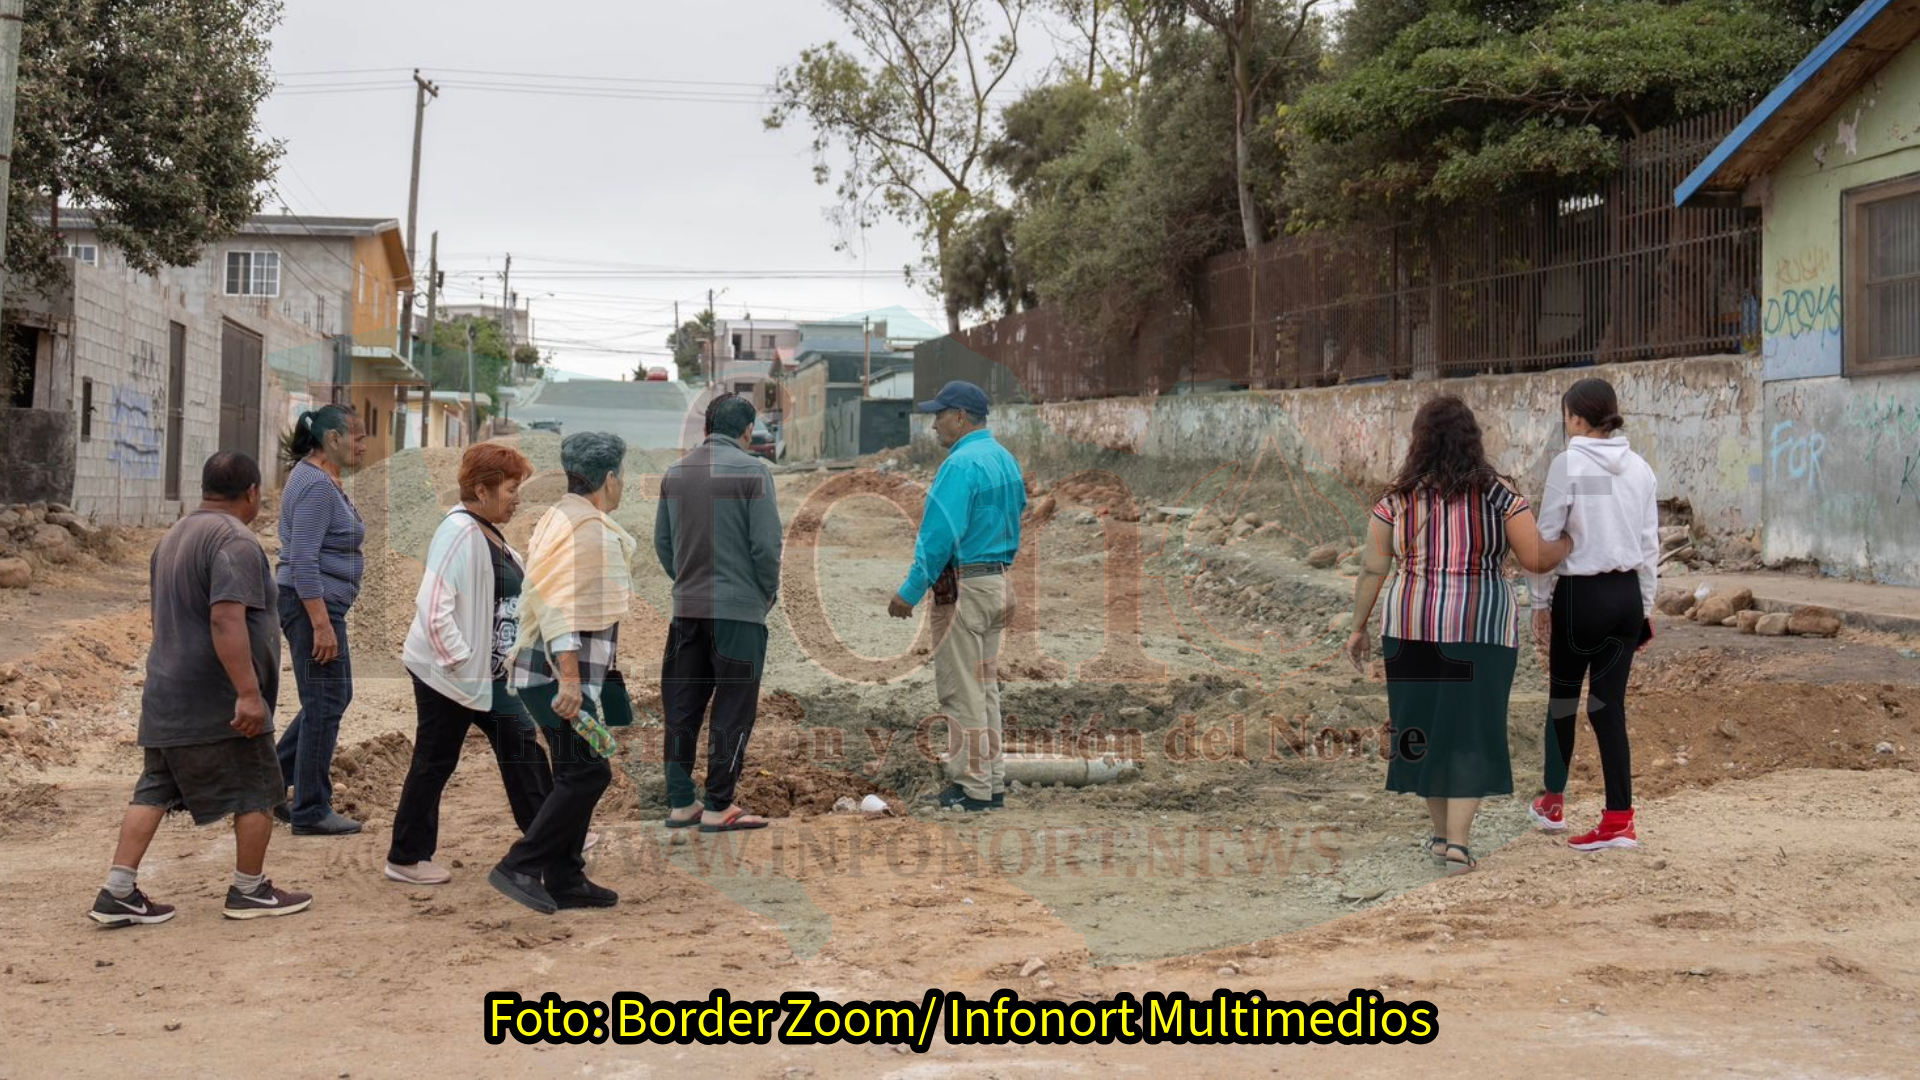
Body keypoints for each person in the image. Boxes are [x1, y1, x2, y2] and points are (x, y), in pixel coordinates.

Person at [1345, 396, 1570, 873]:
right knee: (1470, 730)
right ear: (1473, 439)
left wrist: (1358, 628)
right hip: (1480, 629)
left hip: (1411, 625)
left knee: (1424, 729)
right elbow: (1535, 559)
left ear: (1418, 441)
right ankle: (1459, 846)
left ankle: (1441, 836)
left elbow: (1372, 569)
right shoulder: (1500, 497)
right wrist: (1568, 541)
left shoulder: (1396, 501)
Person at [89, 452, 312, 925]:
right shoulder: (235, 541)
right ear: (252, 492)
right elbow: (225, 618)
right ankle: (249, 890)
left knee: (154, 788)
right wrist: (248, 694)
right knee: (259, 787)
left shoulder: (172, 536)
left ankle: (118, 891)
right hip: (217, 700)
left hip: (166, 693)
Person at [388, 443, 554, 885]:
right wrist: (462, 663)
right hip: (449, 674)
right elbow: (433, 607)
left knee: (521, 745)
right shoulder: (458, 533)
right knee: (435, 759)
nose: (517, 498)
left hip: (483, 674)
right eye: (511, 489)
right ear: (482, 490)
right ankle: (406, 857)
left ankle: (552, 835)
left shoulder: (487, 531)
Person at [494, 432, 637, 914]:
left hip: (546, 672)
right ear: (610, 478)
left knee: (574, 770)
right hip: (557, 676)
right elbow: (558, 608)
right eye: (623, 475)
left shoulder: (563, 517)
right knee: (588, 773)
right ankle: (521, 864)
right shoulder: (587, 531)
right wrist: (572, 682)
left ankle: (565, 876)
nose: (624, 483)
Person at [1526, 377, 1660, 851]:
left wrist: (1539, 602)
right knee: (1609, 708)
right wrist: (1644, 610)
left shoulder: (1569, 465)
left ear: (1577, 418)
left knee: (1563, 701)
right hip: (1625, 597)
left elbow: (1547, 538)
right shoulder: (1640, 469)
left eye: (1566, 416)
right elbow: (1648, 547)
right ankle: (1620, 818)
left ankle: (1553, 802)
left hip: (1580, 597)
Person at [888, 381, 1026, 812]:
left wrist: (909, 591)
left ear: (961, 417)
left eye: (940, 415)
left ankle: (973, 789)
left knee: (961, 692)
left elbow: (938, 536)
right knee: (984, 691)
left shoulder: (960, 465)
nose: (934, 425)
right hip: (997, 582)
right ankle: (992, 782)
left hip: (965, 589)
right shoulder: (1004, 459)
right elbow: (1018, 513)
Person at [656, 394, 784, 833]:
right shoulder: (754, 472)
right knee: (733, 709)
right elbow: (766, 546)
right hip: (739, 615)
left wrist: (687, 582)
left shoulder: (675, 473)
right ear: (747, 431)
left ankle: (680, 803)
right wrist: (763, 594)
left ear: (707, 428)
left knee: (682, 707)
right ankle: (718, 805)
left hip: (686, 611)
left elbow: (664, 545)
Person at [274, 404, 367, 836]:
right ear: (332, 439)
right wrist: (321, 624)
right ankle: (310, 808)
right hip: (312, 606)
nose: (363, 447)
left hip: (319, 605)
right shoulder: (315, 486)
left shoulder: (321, 479)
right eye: (358, 438)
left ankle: (271, 783)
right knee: (325, 702)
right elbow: (303, 560)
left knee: (331, 697)